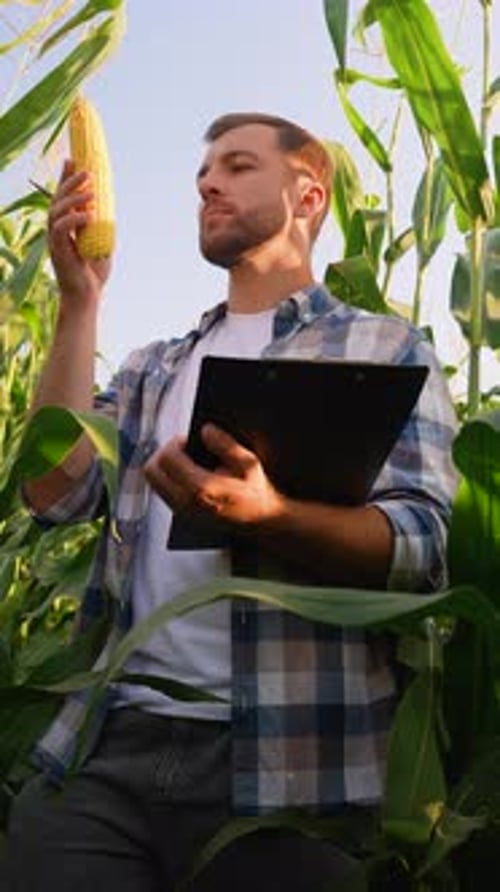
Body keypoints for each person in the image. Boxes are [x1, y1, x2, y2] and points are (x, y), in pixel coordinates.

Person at [6, 112, 457, 891]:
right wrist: (79, 302)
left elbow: (420, 546)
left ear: (308, 194)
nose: (208, 183)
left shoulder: (382, 350)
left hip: (296, 770)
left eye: (238, 166)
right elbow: (54, 490)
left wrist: (270, 516)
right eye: (202, 174)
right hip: (111, 744)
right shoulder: (155, 369)